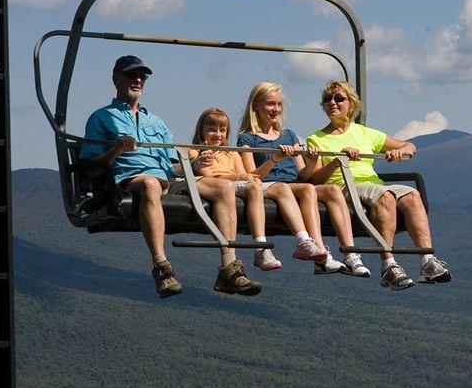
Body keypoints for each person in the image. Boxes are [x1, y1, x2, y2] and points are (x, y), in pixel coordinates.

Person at [79, 55, 262, 299]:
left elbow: (173, 166)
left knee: (223, 188)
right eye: (131, 75)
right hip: (130, 180)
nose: (137, 80)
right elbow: (91, 167)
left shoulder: (155, 121)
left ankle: (229, 268)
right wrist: (116, 150)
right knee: (150, 183)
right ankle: (162, 268)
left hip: (169, 181)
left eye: (141, 76)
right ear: (116, 80)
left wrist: (194, 164)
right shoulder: (101, 118)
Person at [306, 80, 450, 290]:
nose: (332, 103)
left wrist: (400, 152)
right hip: (345, 186)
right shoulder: (317, 139)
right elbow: (314, 179)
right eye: (327, 99)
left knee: (411, 195)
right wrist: (337, 161)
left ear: (351, 104)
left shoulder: (364, 133)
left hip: (374, 184)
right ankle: (389, 263)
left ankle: (426, 261)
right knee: (385, 197)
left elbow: (408, 145)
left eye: (338, 98)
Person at [237, 82, 369, 277]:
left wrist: (312, 160)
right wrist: (275, 159)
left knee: (325, 189)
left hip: (293, 185)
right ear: (256, 105)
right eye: (270, 104)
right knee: (288, 188)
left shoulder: (289, 135)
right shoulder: (247, 138)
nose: (276, 110)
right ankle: (305, 242)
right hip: (269, 185)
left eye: (279, 105)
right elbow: (252, 176)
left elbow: (304, 175)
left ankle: (330, 253)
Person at [190, 107, 328, 271]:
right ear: (202, 131)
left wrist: (259, 168)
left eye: (222, 130)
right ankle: (260, 246)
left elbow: (246, 174)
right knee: (251, 185)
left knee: (255, 186)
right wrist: (240, 177)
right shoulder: (197, 152)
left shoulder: (232, 154)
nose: (217, 134)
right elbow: (209, 176)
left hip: (235, 184)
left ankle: (266, 246)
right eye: (212, 130)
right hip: (215, 186)